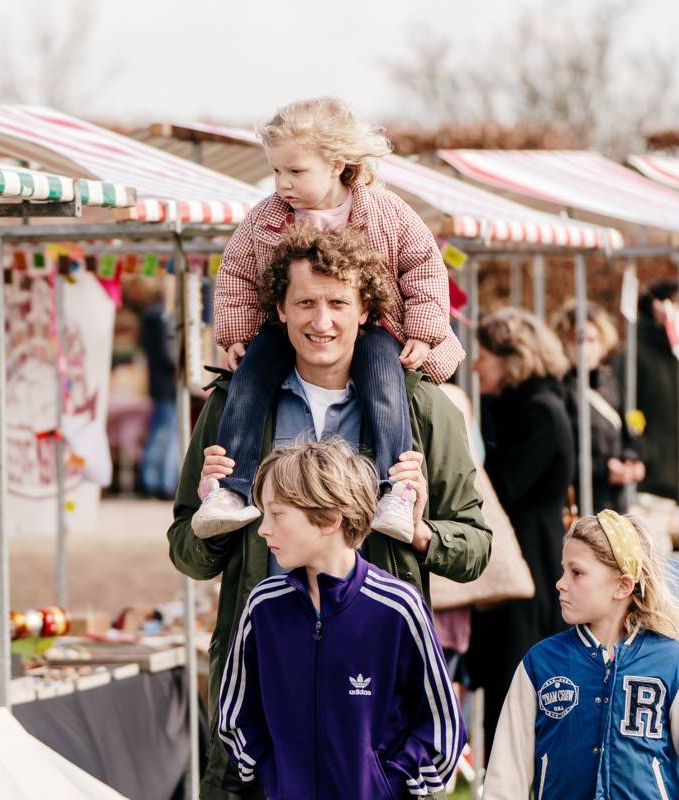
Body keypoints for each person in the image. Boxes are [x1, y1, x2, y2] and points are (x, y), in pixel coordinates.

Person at [167, 222, 491, 799]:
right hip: (267, 679)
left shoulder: (421, 409)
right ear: (280, 310)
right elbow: (187, 553)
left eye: (338, 303)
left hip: (372, 696)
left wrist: (421, 531)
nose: (322, 321)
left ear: (365, 309)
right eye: (305, 303)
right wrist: (208, 523)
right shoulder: (232, 406)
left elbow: (474, 548)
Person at [194, 97, 464, 543]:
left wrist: (423, 330)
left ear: (336, 164)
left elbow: (424, 266)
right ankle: (231, 489)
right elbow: (236, 272)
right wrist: (237, 333)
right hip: (283, 327)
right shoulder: (265, 217)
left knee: (385, 383)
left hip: (375, 326)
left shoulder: (387, 211)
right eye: (276, 171)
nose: (283, 183)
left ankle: (395, 490)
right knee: (249, 379)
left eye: (296, 171)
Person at [216, 440, 465, 798]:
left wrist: (391, 787)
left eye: (276, 514)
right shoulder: (263, 606)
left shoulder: (398, 607)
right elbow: (236, 717)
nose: (262, 529)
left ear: (330, 518)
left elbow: (443, 727)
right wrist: (271, 777)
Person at [482, 511, 679, 800]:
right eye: (563, 570)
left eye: (577, 573)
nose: (560, 583)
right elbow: (505, 779)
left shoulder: (672, 664)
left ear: (622, 586)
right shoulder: (539, 664)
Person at [466, 308, 575, 748]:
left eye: (484, 356)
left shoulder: (538, 413)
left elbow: (501, 488)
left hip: (528, 567)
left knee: (515, 686)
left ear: (512, 359)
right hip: (523, 561)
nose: (475, 366)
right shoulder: (528, 407)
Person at [553, 301, 644, 513]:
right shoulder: (559, 389)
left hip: (616, 501)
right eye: (578, 339)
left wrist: (631, 460)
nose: (585, 348)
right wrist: (604, 469)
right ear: (564, 342)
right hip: (578, 503)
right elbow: (558, 454)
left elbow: (627, 433)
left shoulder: (610, 384)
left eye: (593, 340)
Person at [618, 280, 679, 501]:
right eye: (674, 304)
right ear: (657, 306)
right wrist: (644, 447)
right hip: (651, 476)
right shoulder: (634, 355)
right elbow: (628, 408)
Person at [138, 284, 180, 498]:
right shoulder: (161, 317)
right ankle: (158, 480)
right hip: (166, 384)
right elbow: (167, 353)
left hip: (161, 384)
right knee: (165, 432)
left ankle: (157, 479)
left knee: (163, 431)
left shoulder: (153, 316)